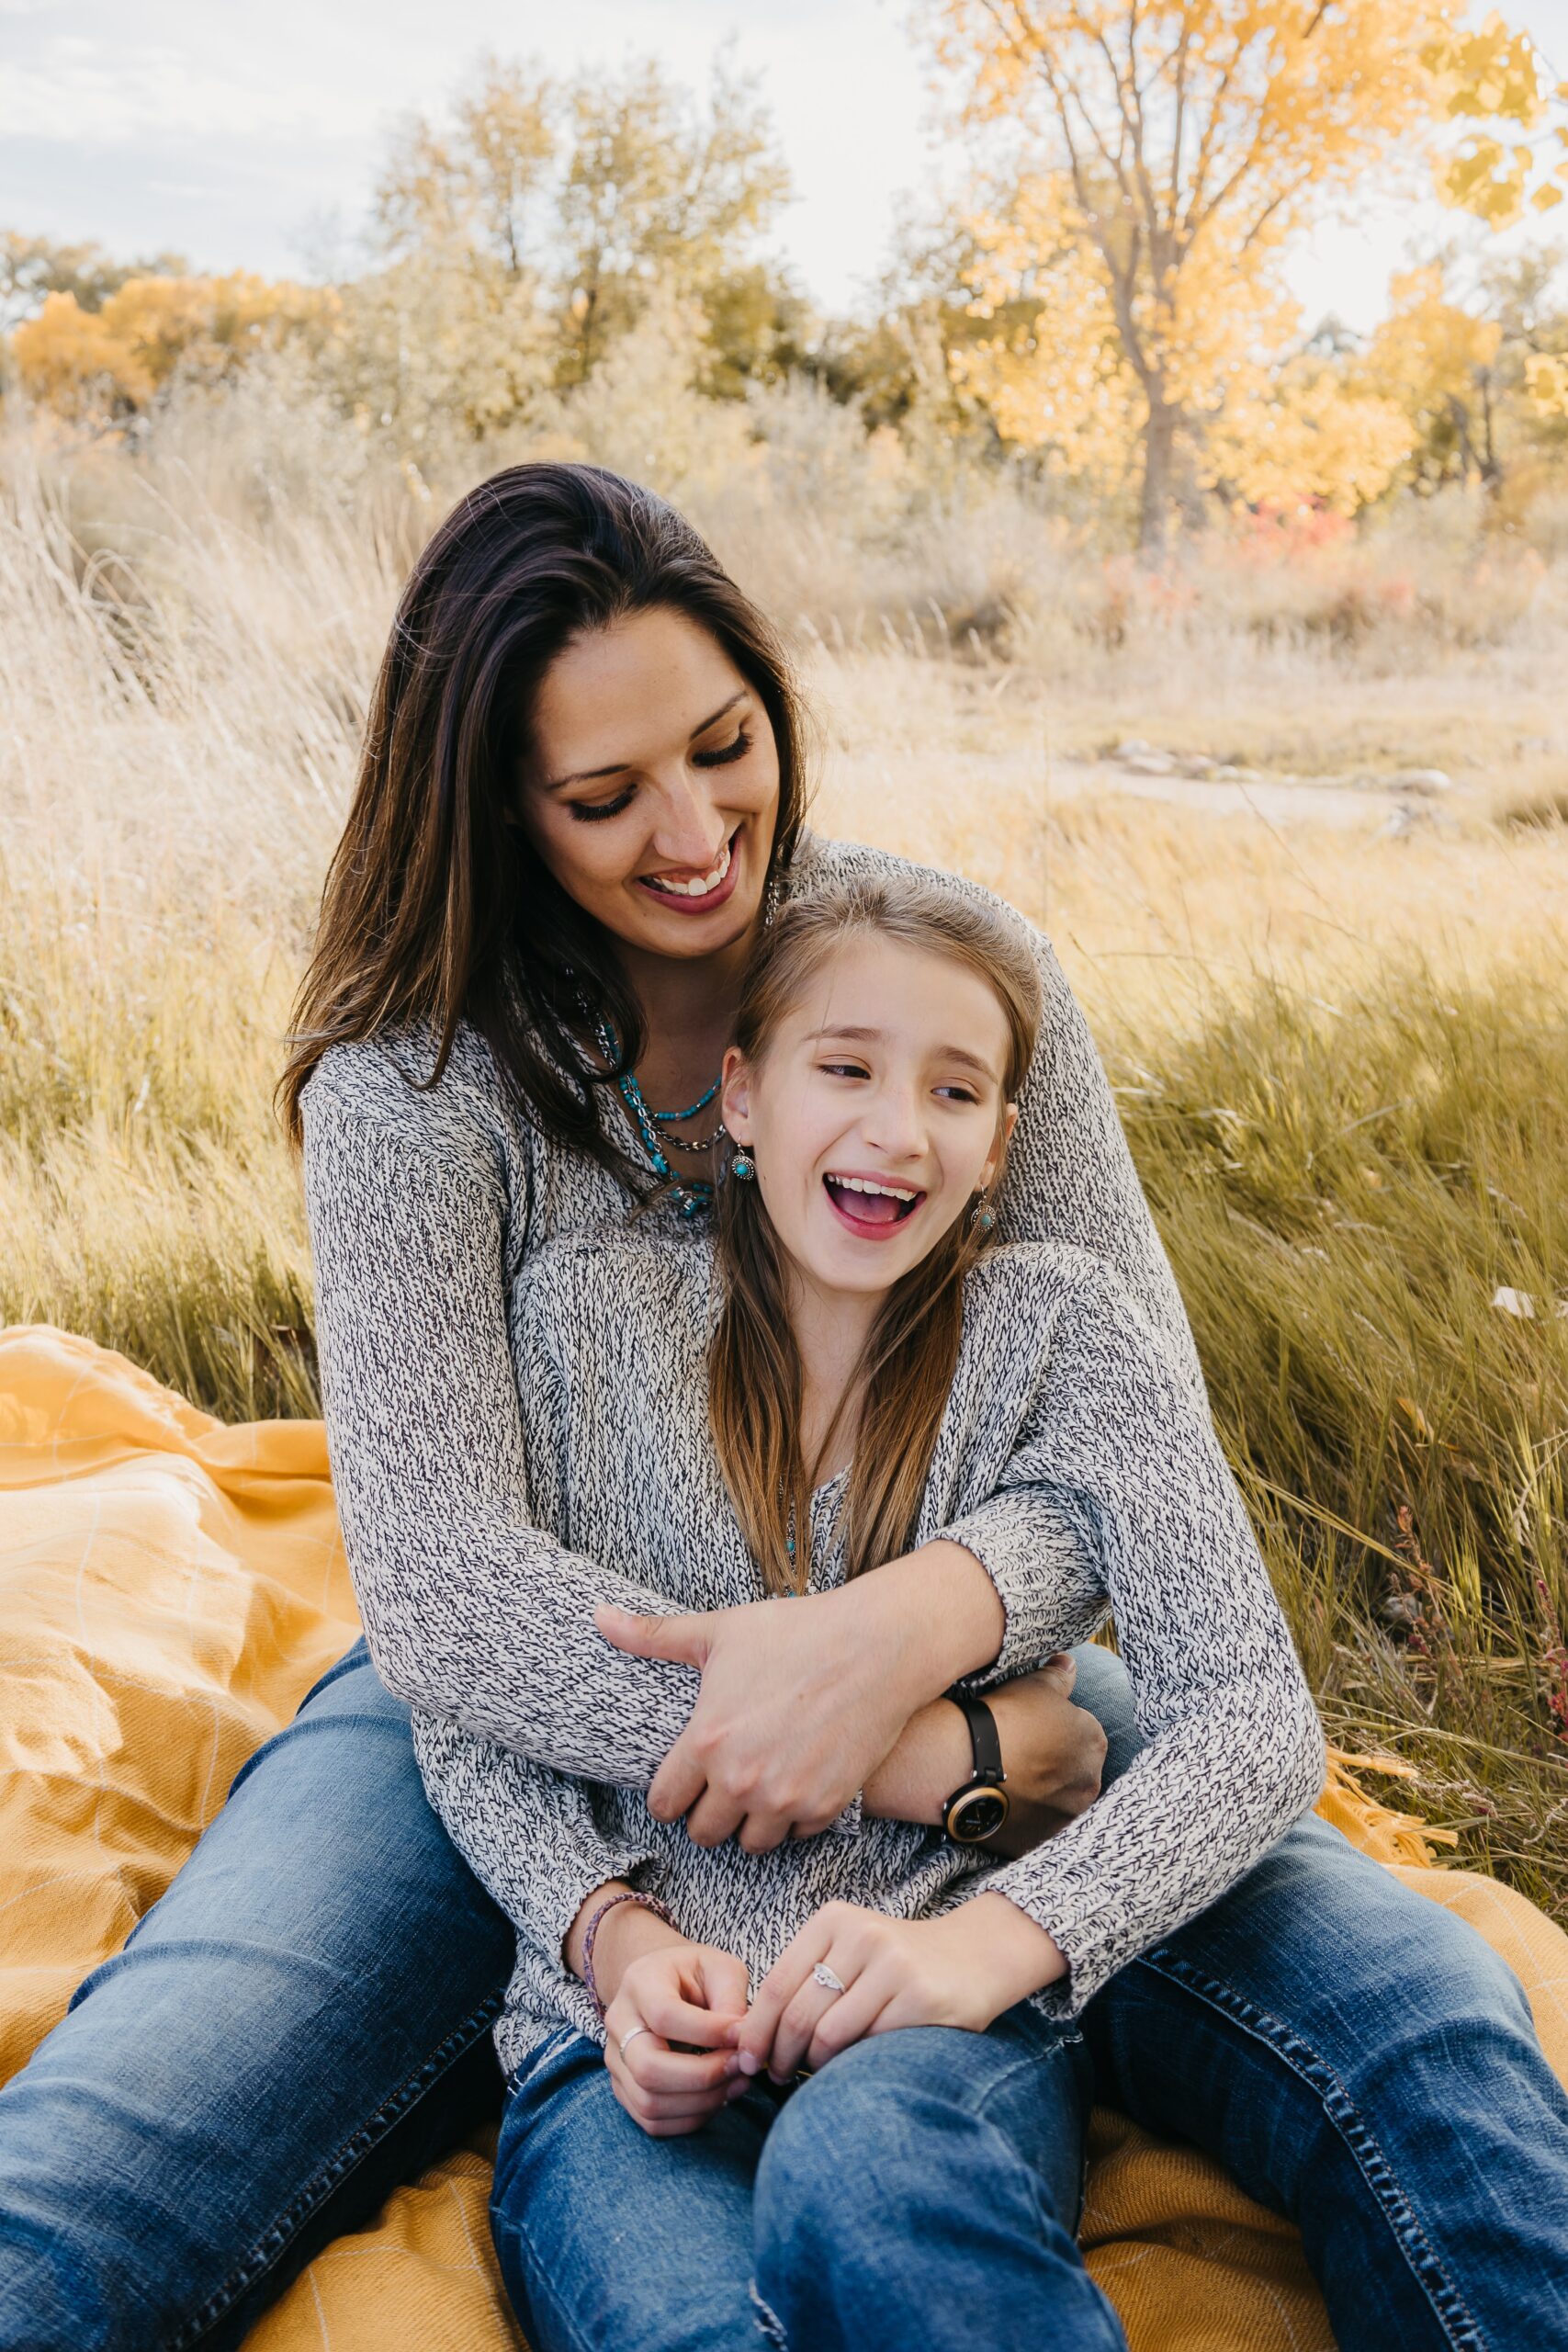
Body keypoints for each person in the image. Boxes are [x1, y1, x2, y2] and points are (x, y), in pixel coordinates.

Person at [1, 462, 1563, 2350]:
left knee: (1417, 2019)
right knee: (108, 2171)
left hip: (970, 1648)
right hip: (529, 1704)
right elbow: (444, 1593)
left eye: (723, 745)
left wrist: (912, 1635)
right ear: (498, 807)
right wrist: (888, 1747)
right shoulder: (414, 1084)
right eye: (602, 796)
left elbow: (1113, 1417)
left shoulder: (940, 970)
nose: (692, 830)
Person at [412, 867, 1326, 2349]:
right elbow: (480, 1710)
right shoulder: (579, 1319)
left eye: (954, 1092)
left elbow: (1257, 1722)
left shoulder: (1067, 1329)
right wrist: (612, 1943)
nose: (897, 1129)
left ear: (1001, 1143)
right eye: (845, 1068)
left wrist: (993, 1943)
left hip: (933, 2020)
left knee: (880, 2198)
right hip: (617, 2051)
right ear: (744, 1094)